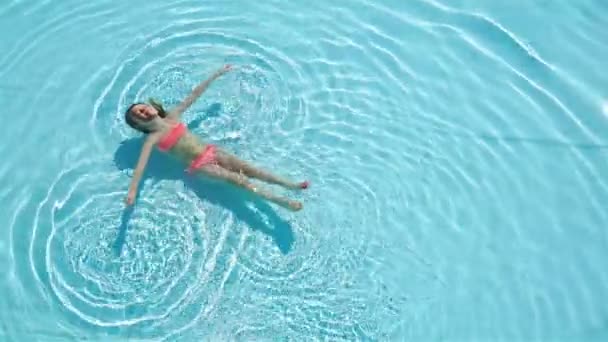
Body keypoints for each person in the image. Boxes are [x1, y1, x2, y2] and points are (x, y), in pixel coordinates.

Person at [124, 64, 308, 211]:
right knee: (241, 181)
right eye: (137, 115)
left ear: (153, 108)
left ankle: (290, 184)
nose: (141, 112)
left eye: (141, 107)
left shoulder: (173, 116)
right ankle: (280, 201)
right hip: (201, 166)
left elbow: (194, 95)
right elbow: (140, 167)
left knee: (251, 170)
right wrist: (132, 191)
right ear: (139, 125)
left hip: (212, 151)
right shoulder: (152, 139)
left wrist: (216, 74)